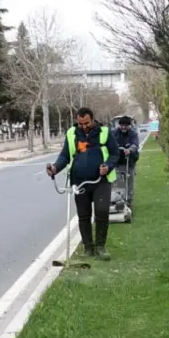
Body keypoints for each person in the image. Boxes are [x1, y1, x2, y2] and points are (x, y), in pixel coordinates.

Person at [46, 107, 120, 260]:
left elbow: (115, 154)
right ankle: (88, 247)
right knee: (83, 215)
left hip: (101, 180)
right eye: (80, 124)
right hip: (79, 182)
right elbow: (65, 156)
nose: (84, 126)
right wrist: (55, 168)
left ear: (92, 119)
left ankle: (100, 247)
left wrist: (108, 166)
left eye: (87, 123)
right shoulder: (72, 134)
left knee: (101, 212)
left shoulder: (104, 133)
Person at [111, 115, 140, 208]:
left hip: (129, 161)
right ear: (119, 125)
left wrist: (130, 150)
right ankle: (120, 200)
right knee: (119, 182)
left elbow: (135, 144)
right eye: (122, 125)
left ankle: (129, 201)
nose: (123, 127)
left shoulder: (133, 134)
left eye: (126, 125)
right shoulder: (114, 133)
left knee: (129, 182)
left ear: (129, 126)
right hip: (118, 162)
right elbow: (110, 143)